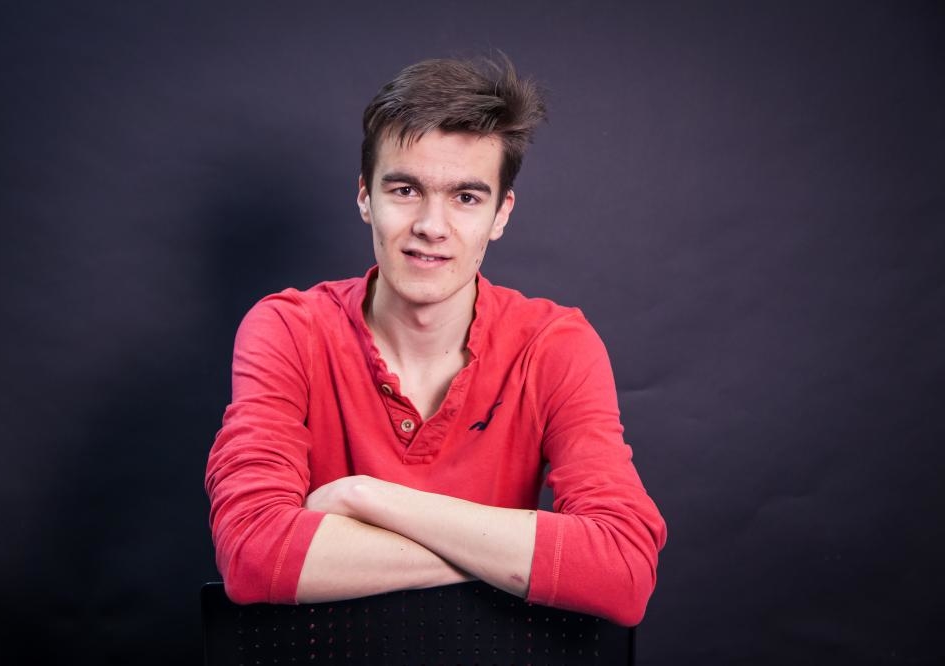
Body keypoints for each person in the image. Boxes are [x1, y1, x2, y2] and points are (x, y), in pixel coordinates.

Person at [205, 55, 667, 625]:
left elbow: (622, 571)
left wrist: (364, 497)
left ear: (501, 213)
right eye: (405, 189)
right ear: (364, 197)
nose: (431, 226)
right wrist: (504, 557)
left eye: (466, 198)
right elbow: (252, 555)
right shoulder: (289, 330)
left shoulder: (555, 345)